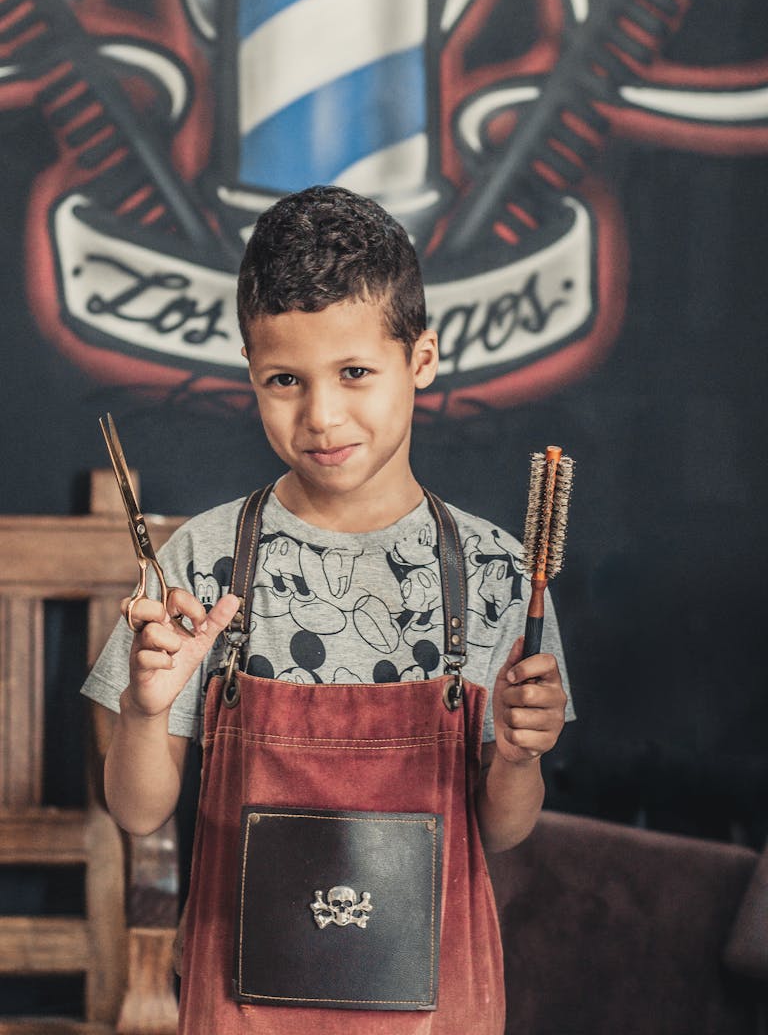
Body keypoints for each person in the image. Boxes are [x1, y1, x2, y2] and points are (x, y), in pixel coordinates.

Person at [83, 185, 574, 1034]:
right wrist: (143, 707)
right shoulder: (201, 563)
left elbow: (503, 831)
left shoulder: (496, 571)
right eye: (285, 380)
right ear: (250, 372)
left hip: (433, 1009)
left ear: (420, 358)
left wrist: (522, 758)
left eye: (355, 372)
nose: (321, 415)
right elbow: (136, 811)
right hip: (241, 1005)